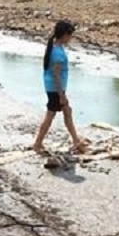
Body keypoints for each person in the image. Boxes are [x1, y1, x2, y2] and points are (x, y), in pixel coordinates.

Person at [32, 20, 86, 154]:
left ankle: (75, 141)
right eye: (70, 35)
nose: (70, 38)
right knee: (50, 116)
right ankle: (37, 143)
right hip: (55, 89)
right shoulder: (57, 53)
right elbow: (56, 75)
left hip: (55, 88)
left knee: (68, 112)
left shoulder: (57, 47)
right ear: (64, 35)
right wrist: (61, 95)